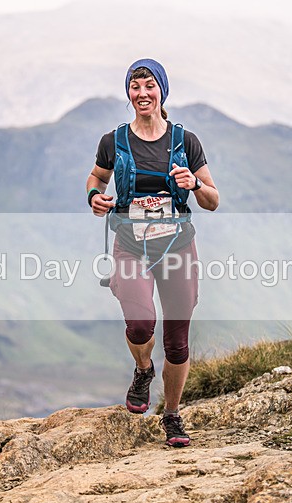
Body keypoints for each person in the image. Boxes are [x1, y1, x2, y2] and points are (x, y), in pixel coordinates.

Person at [85, 58, 219, 447]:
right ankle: (143, 369)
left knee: (177, 340)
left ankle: (173, 416)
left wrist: (193, 182)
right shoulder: (114, 141)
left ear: (162, 91)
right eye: (134, 87)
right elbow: (96, 177)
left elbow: (212, 200)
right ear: (128, 93)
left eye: (149, 86)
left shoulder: (184, 141)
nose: (142, 94)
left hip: (177, 246)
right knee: (141, 324)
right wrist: (96, 197)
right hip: (130, 244)